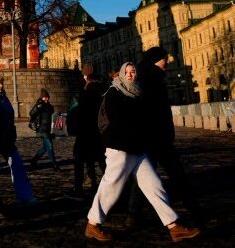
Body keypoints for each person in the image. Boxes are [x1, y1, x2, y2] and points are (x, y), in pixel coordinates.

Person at [85, 62, 200, 243]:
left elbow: (144, 119)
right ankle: (93, 224)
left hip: (137, 148)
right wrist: (138, 130)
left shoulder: (138, 92)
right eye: (127, 72)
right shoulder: (114, 92)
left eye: (133, 72)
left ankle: (174, 226)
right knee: (111, 186)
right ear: (122, 74)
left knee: (154, 185)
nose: (130, 75)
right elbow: (117, 120)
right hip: (120, 147)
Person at [128, 46, 204, 226]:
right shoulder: (153, 78)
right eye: (164, 58)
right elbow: (157, 111)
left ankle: (132, 215)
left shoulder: (143, 76)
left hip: (148, 138)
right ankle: (194, 209)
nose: (167, 61)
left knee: (143, 178)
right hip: (158, 137)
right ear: (156, 59)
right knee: (177, 174)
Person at [0, 76, 36, 205]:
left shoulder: (3, 97)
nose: (1, 86)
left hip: (7, 140)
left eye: (1, 83)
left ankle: (24, 196)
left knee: (17, 166)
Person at [65, 73, 107, 201]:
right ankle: (108, 189)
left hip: (84, 136)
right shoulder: (103, 94)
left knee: (80, 163)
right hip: (99, 136)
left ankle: (79, 190)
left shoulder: (84, 96)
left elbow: (75, 116)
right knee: (102, 163)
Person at [29, 89, 59, 170]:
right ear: (41, 98)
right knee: (50, 146)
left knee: (45, 147)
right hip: (41, 129)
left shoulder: (50, 106)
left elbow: (53, 118)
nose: (46, 99)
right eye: (44, 97)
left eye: (47, 97)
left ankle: (34, 160)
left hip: (49, 129)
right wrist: (37, 107)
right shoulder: (39, 105)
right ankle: (54, 165)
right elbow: (31, 113)